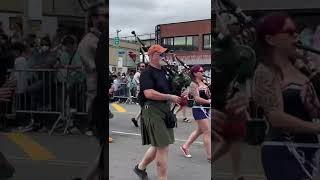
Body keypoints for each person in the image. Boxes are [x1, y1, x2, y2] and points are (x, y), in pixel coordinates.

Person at [253, 12, 320, 180]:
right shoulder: (266, 71)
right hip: (283, 149)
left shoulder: (303, 69)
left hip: (311, 148)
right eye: (289, 32)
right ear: (270, 39)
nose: (296, 35)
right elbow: (276, 117)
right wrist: (317, 128)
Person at [133, 44, 185, 180]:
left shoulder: (165, 71)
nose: (163, 56)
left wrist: (178, 93)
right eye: (160, 54)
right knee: (163, 147)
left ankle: (140, 168)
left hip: (165, 109)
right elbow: (149, 93)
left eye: (163, 54)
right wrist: (170, 97)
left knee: (159, 145)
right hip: (152, 110)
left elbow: (170, 89)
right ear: (150, 56)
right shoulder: (146, 73)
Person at [78, 2, 107, 136]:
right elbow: (92, 65)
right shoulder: (89, 40)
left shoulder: (100, 37)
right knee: (93, 103)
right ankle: (90, 126)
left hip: (100, 81)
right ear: (94, 18)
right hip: (94, 80)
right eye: (104, 15)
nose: (106, 19)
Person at [180, 65, 211, 162]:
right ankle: (210, 156)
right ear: (195, 73)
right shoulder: (193, 84)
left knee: (200, 131)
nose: (203, 72)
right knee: (207, 131)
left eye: (203, 71)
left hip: (205, 109)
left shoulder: (204, 81)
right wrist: (209, 102)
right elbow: (197, 98)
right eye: (201, 71)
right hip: (198, 109)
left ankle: (185, 146)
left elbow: (208, 94)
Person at [131, 62, 146, 127]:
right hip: (140, 93)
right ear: (139, 67)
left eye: (144, 66)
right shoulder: (137, 75)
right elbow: (139, 83)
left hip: (144, 92)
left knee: (144, 108)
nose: (143, 67)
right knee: (144, 108)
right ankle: (137, 120)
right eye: (142, 66)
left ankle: (136, 119)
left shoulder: (143, 73)